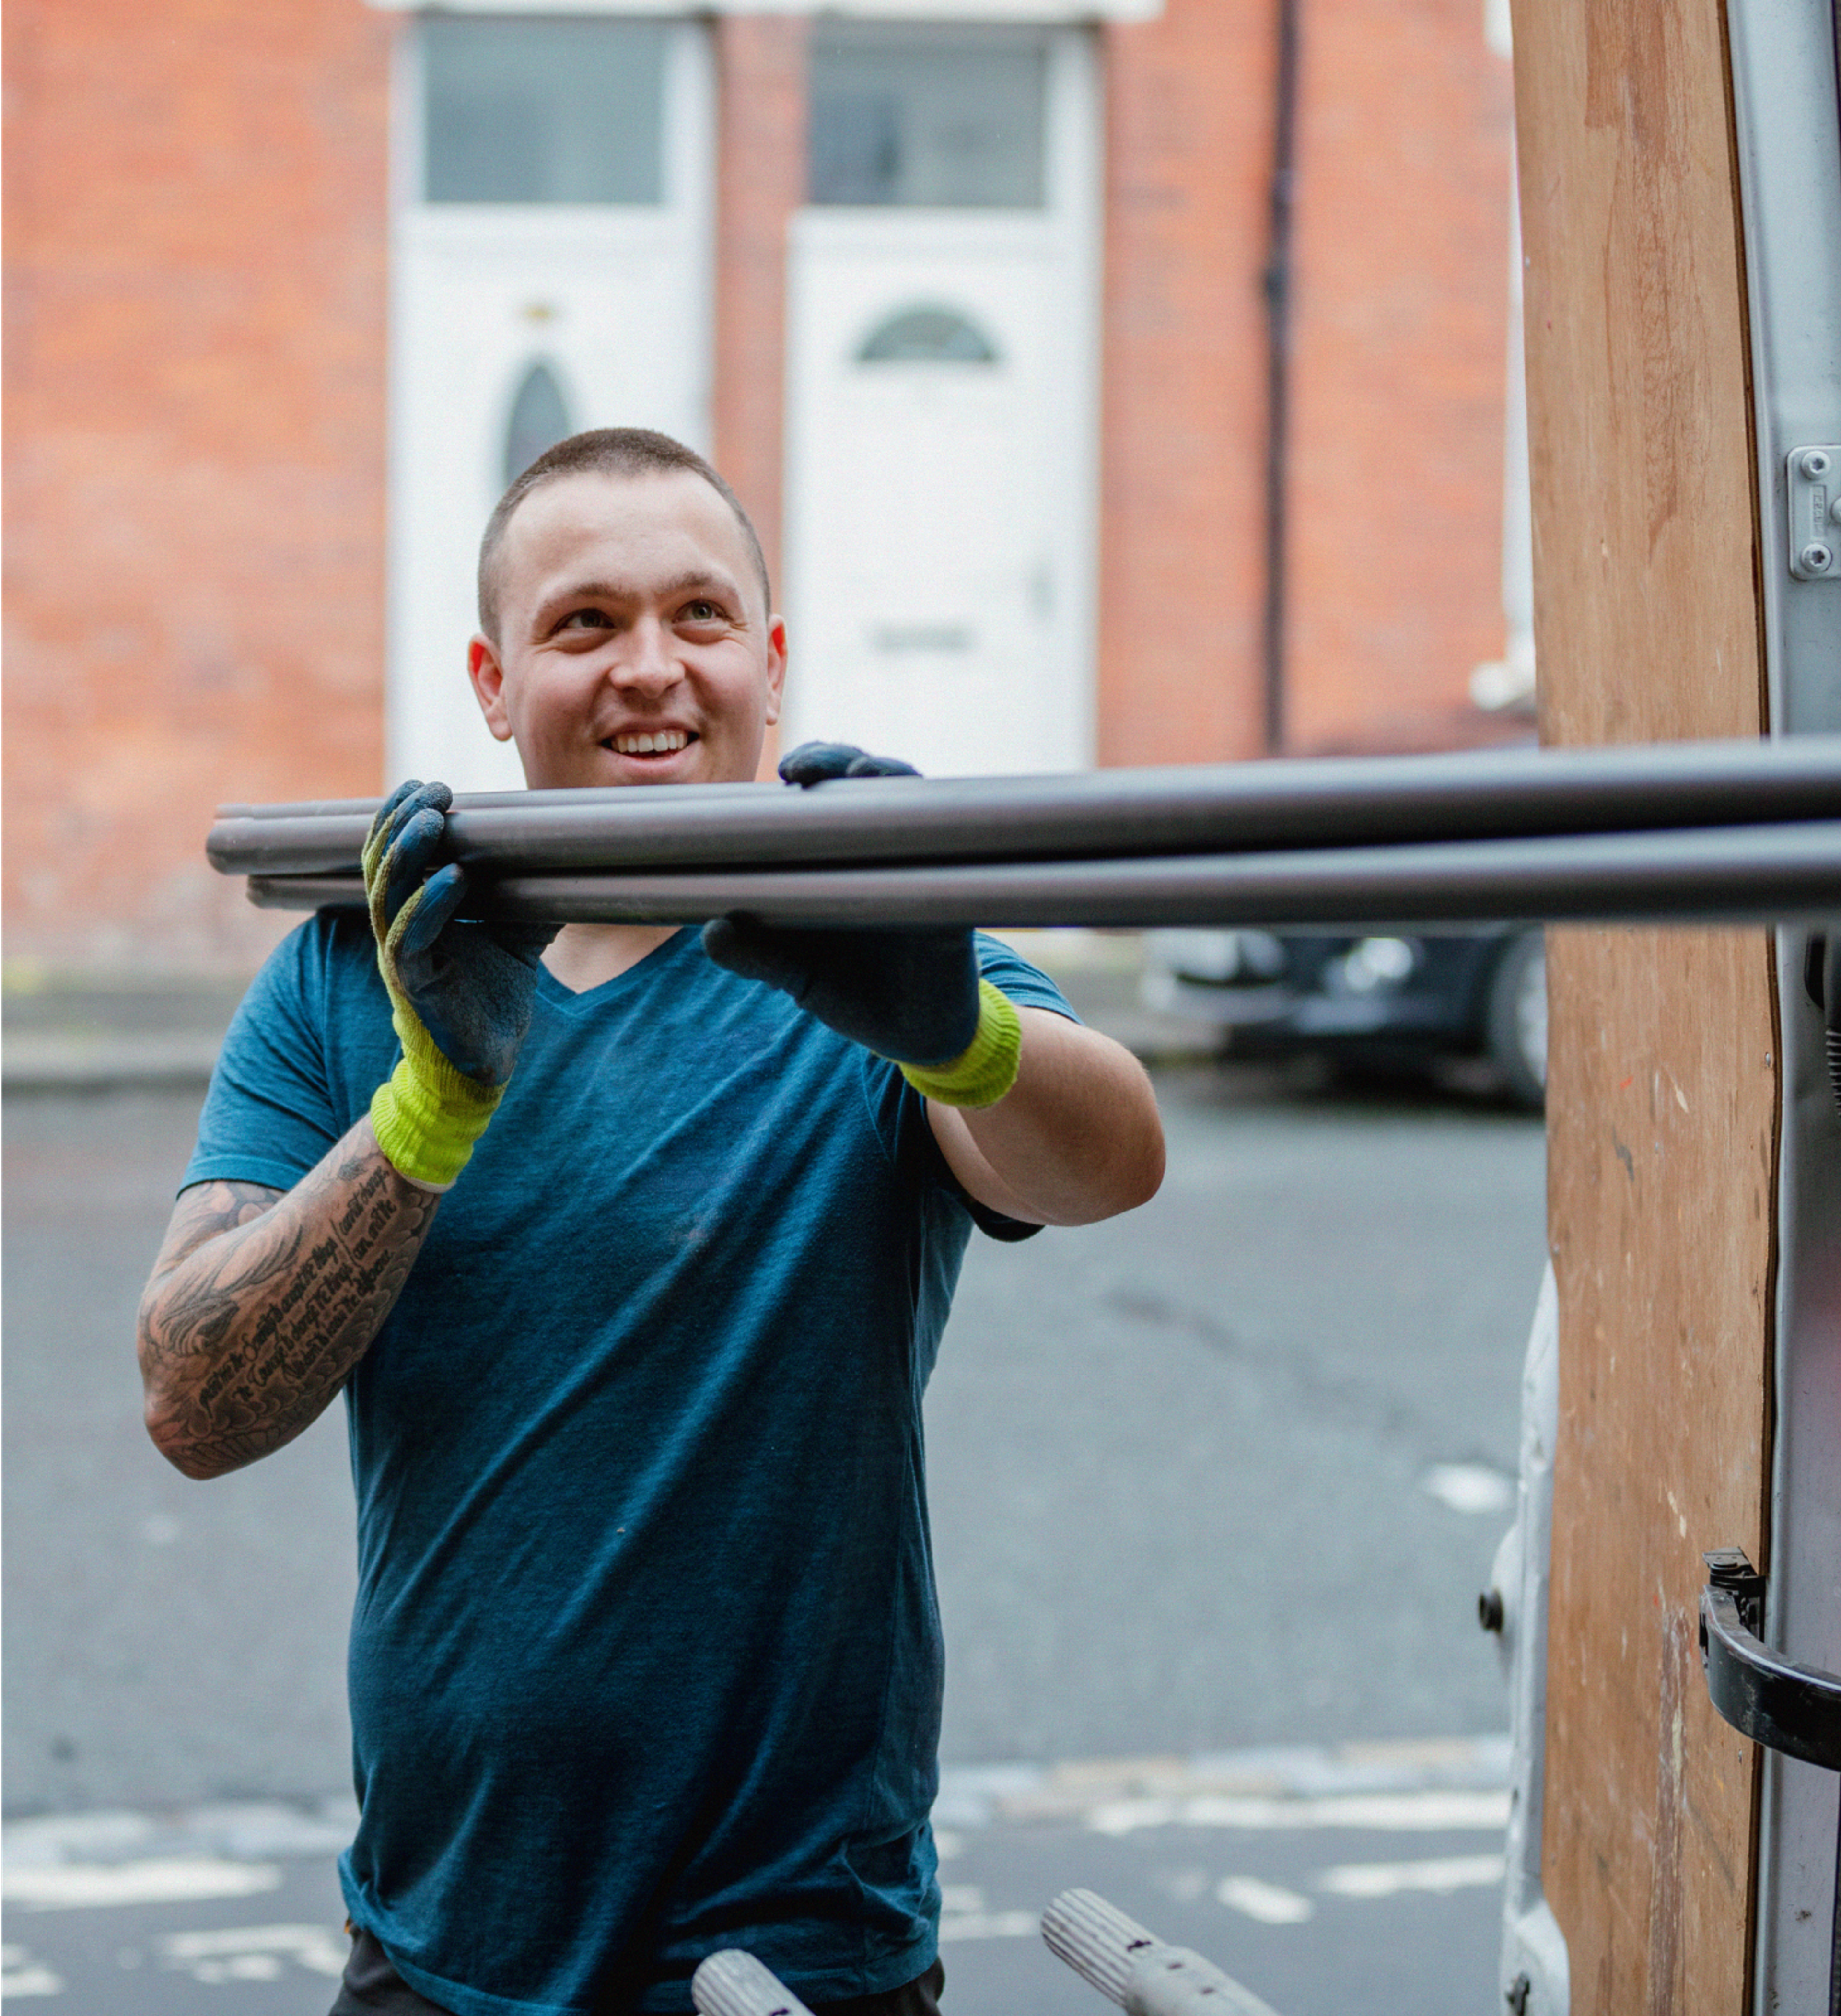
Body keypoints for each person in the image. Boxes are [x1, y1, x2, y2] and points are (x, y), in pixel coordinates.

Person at [137, 429, 1165, 2016]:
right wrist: (429, 1109)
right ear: (492, 680)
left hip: (791, 1952)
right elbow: (193, 1400)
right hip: (439, 1935)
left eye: (698, 616)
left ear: (770, 658)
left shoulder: (873, 945)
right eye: (584, 624)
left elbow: (1108, 1162)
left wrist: (951, 1025)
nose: (650, 669)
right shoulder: (362, 971)